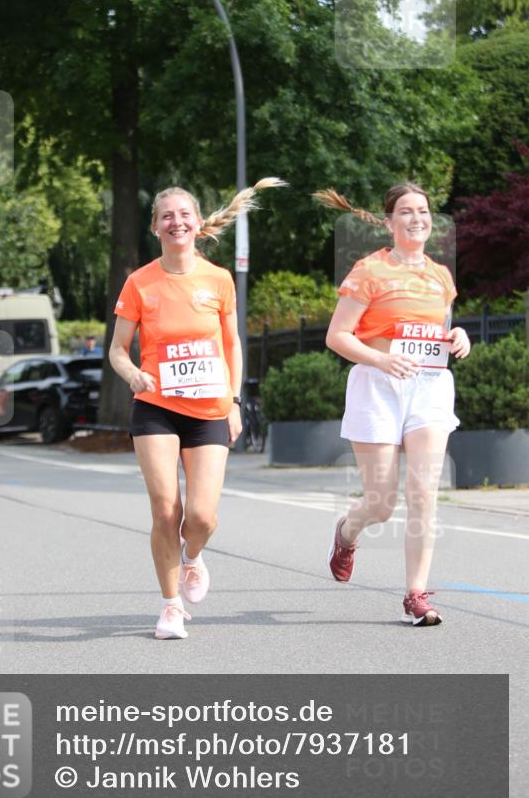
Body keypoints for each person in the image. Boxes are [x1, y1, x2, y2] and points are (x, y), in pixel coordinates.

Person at [109, 178, 285, 639]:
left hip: (209, 407)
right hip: (155, 408)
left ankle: (192, 557)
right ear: (155, 227)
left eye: (184, 214)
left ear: (198, 223)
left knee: (202, 517)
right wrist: (132, 375)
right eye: (167, 216)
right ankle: (170, 607)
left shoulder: (219, 279)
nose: (176, 222)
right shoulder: (139, 282)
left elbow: (232, 346)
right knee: (166, 510)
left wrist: (233, 400)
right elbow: (117, 350)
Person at [314, 183, 470, 626]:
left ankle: (415, 594)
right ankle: (347, 532)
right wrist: (381, 358)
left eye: (423, 210)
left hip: (430, 387)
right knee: (381, 503)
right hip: (377, 385)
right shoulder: (369, 270)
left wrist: (459, 337)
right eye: (406, 211)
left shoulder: (441, 276)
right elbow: (337, 336)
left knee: (423, 494)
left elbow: (440, 330)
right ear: (389, 222)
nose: (416, 218)